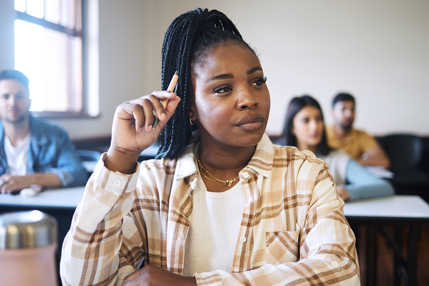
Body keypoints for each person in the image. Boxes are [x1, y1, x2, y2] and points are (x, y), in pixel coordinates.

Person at [60, 8, 360, 286]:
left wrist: (192, 285)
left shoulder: (305, 174)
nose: (249, 99)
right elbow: (83, 278)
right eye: (223, 88)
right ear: (190, 107)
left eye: (257, 81)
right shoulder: (154, 182)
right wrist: (121, 156)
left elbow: (342, 272)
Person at [280, 95, 394, 202]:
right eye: (306, 120)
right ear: (292, 127)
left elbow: (385, 187)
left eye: (318, 119)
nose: (315, 126)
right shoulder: (276, 157)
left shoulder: (337, 157)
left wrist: (348, 191)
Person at [0, 70, 88, 194]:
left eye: (20, 96)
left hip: (44, 208)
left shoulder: (56, 134)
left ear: (29, 102)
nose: (13, 103)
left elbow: (78, 173)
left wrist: (28, 179)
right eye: (5, 96)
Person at [326, 92, 390, 168]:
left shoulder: (361, 135)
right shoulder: (322, 132)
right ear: (332, 113)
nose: (349, 114)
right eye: (343, 109)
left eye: (352, 109)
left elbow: (383, 161)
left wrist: (349, 163)